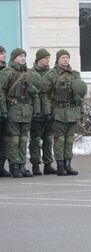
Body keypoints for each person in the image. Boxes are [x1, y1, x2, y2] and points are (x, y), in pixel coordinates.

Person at [43, 50, 87, 176]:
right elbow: (45, 94)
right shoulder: (51, 75)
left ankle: (68, 165)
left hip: (72, 111)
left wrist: (81, 110)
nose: (65, 60)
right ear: (57, 59)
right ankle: (60, 165)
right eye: (63, 57)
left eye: (67, 57)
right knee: (60, 139)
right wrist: (47, 111)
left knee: (69, 140)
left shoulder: (75, 75)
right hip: (58, 111)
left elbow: (80, 94)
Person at [0, 48, 41, 178]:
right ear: (14, 58)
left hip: (26, 111)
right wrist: (4, 110)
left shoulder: (29, 74)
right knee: (13, 140)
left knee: (23, 139)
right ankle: (15, 166)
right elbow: (1, 92)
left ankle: (22, 166)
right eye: (20, 56)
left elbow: (35, 94)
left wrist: (36, 110)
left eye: (24, 55)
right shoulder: (8, 72)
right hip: (13, 110)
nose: (23, 58)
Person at [29, 48, 57, 175]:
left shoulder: (52, 73)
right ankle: (35, 165)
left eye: (48, 59)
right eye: (45, 58)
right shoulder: (31, 73)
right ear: (39, 59)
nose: (47, 61)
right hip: (36, 111)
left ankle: (48, 164)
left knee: (48, 139)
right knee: (35, 140)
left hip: (49, 110)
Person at [0, 45, 10, 177]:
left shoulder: (8, 71)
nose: (3, 56)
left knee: (4, 141)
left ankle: (1, 167)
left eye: (4, 53)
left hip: (6, 109)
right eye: (1, 53)